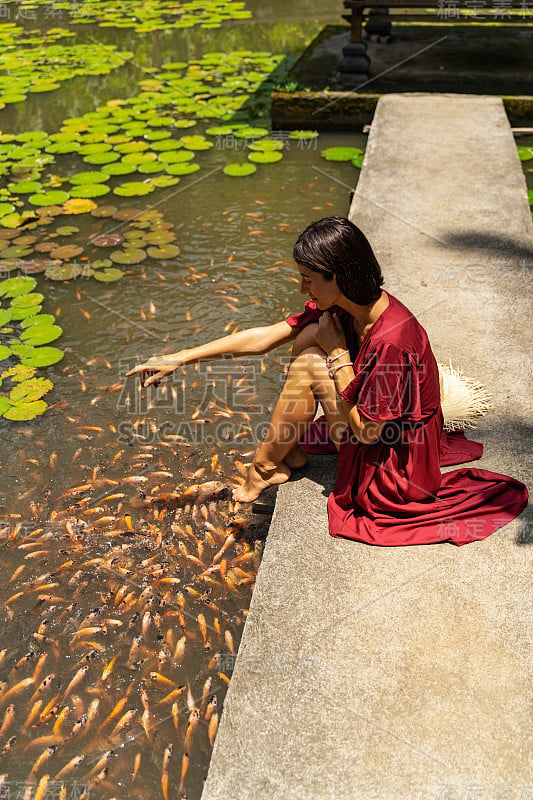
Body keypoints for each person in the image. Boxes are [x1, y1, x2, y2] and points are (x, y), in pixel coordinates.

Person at [126, 217, 528, 547]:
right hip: (376, 430)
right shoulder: (346, 306)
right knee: (308, 346)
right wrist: (180, 357)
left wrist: (337, 354)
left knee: (311, 361)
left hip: (395, 464)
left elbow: (369, 431)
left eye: (308, 278)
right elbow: (264, 337)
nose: (302, 288)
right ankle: (278, 461)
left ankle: (265, 468)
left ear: (337, 277)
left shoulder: (391, 339)